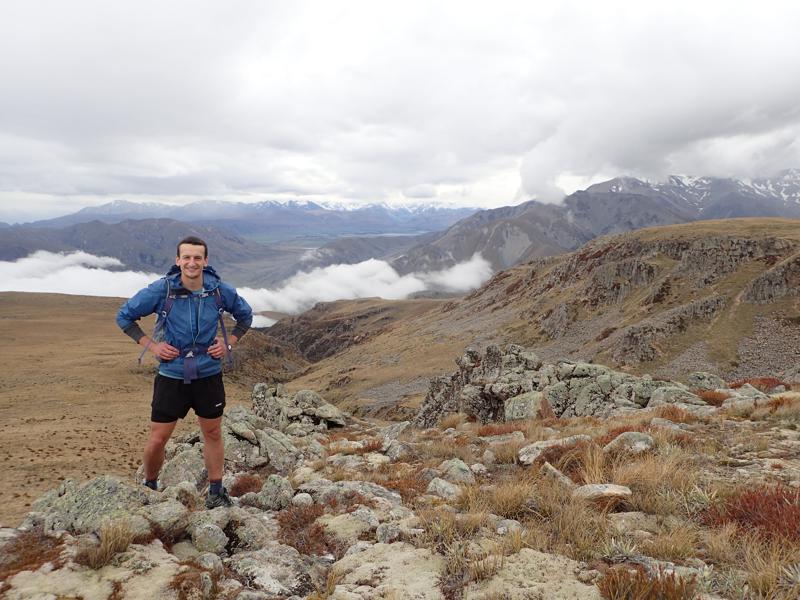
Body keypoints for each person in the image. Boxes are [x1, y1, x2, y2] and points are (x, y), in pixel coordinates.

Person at [117, 235, 253, 508]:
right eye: (187, 258)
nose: (192, 263)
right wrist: (152, 347)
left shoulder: (218, 290)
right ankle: (151, 488)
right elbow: (124, 316)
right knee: (158, 438)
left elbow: (245, 315)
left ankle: (216, 491)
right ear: (177, 260)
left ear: (206, 261)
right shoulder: (161, 290)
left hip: (208, 373)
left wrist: (228, 343)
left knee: (213, 433)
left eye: (197, 258)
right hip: (172, 374)